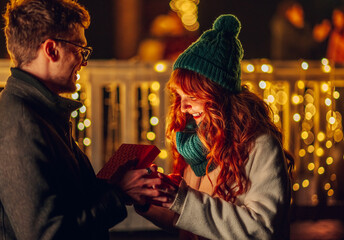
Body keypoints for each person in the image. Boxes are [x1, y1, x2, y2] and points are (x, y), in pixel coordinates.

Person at [0, 0, 166, 239]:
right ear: (51, 50)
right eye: (79, 49)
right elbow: (48, 234)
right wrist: (118, 194)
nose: (84, 61)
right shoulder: (21, 122)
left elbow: (68, 200)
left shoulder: (40, 111)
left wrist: (120, 184)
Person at [135, 14, 294, 239]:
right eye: (179, 96)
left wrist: (181, 199)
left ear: (217, 93)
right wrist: (148, 199)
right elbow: (186, 221)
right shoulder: (195, 142)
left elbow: (262, 229)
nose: (183, 107)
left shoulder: (259, 144)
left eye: (192, 96)